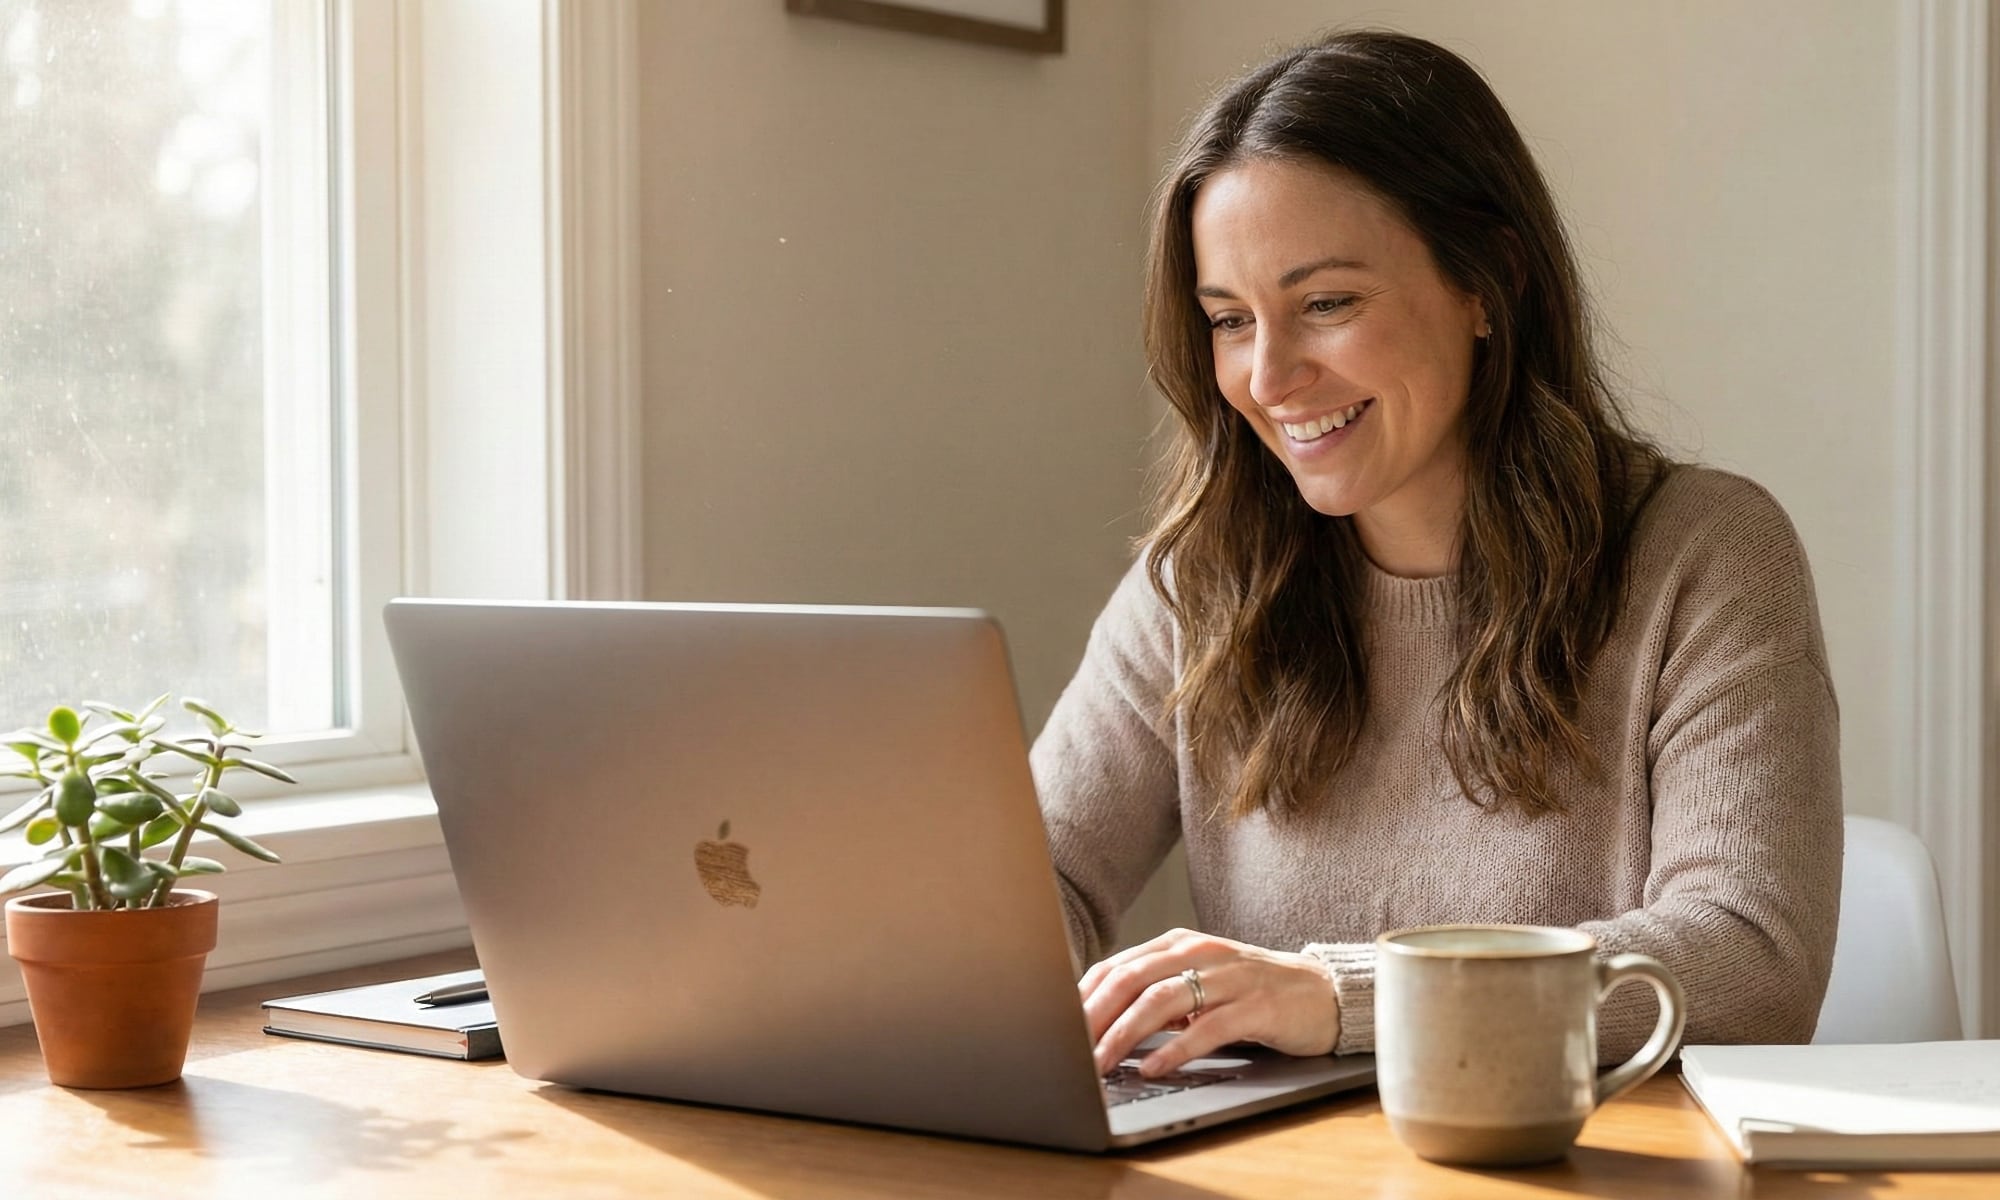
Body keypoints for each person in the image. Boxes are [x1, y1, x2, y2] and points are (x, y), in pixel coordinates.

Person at [1030, 30, 1842, 1082]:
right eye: (1229, 320)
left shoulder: (1705, 557)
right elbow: (1032, 879)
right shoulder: (1199, 586)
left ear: (1485, 283)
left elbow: (1749, 959)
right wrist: (1002, 983)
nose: (1267, 376)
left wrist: (1340, 997)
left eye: (1325, 304)